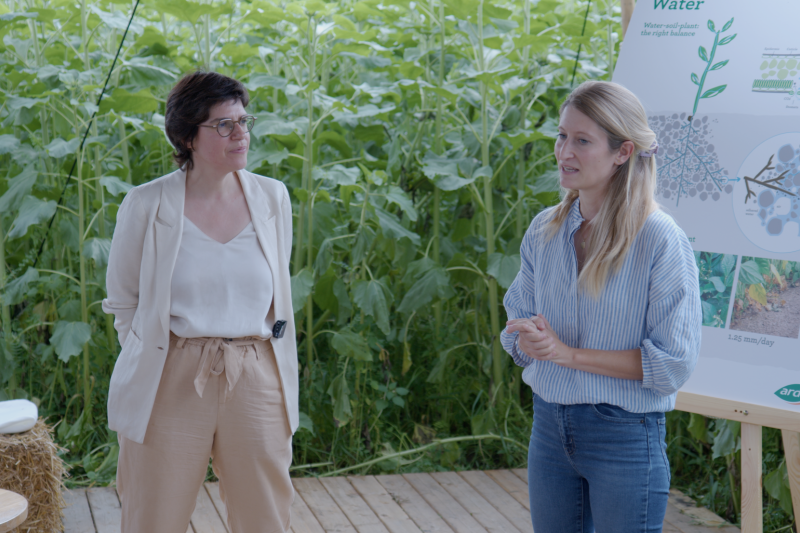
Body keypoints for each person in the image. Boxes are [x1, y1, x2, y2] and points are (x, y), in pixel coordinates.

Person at [102, 71, 298, 533]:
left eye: (244, 121)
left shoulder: (273, 198)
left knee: (265, 519)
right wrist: (150, 353)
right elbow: (122, 302)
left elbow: (278, 292)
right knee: (154, 517)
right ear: (188, 135)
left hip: (255, 371)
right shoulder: (145, 204)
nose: (241, 134)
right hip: (171, 373)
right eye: (224, 125)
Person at [502, 80, 701, 533]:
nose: (563, 152)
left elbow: (673, 364)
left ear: (623, 152)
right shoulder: (543, 230)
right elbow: (515, 322)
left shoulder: (659, 238)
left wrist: (565, 354)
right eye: (561, 136)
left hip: (625, 435)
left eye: (582, 141)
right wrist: (527, 338)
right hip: (549, 428)